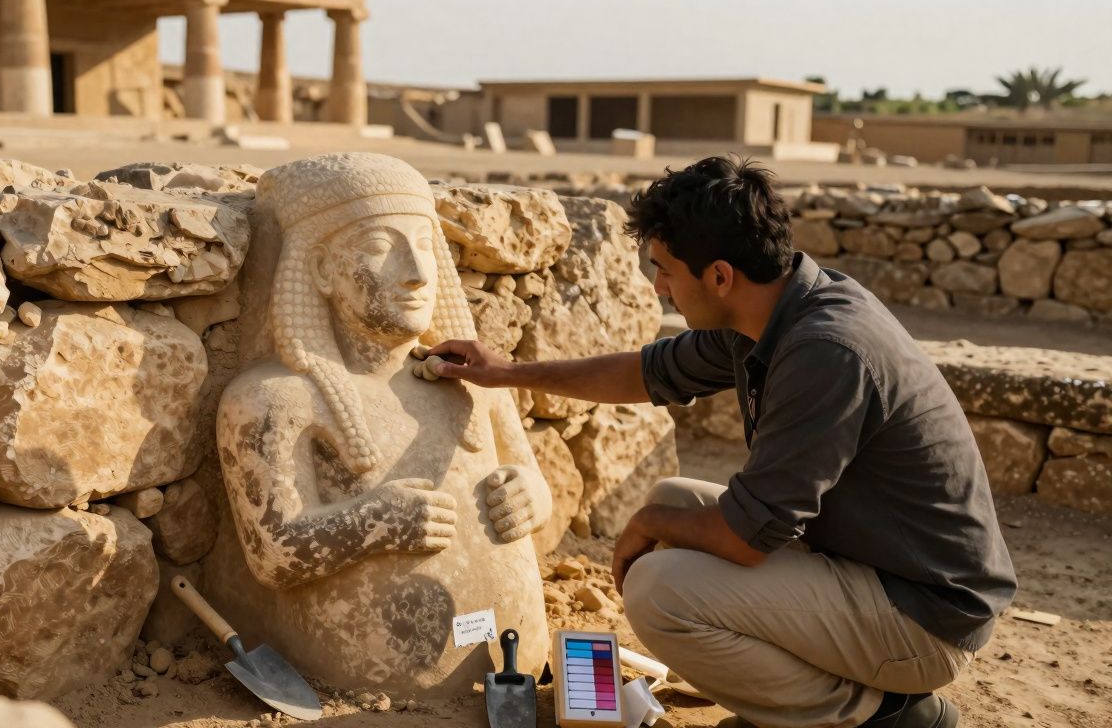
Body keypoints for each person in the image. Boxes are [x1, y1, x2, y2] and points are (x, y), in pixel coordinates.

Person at [425, 155, 1016, 728]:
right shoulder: (771, 309)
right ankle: (800, 708)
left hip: (924, 620)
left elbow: (745, 539)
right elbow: (643, 373)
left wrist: (645, 522)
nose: (657, 287)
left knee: (660, 590)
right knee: (679, 500)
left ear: (718, 276)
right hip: (878, 570)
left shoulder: (826, 352)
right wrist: (505, 373)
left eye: (664, 269)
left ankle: (872, 716)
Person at [214, 152, 551, 696]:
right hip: (372, 686)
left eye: (422, 245)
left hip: (519, 662)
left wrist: (532, 492)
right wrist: (372, 523)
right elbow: (273, 555)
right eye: (379, 248)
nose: (416, 274)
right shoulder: (274, 401)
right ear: (322, 269)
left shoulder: (472, 379)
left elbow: (532, 481)